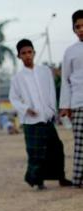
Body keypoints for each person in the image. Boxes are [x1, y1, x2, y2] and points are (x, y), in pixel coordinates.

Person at [9, 39, 73, 190]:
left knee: (56, 147)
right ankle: (38, 180)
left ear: (34, 53)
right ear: (19, 56)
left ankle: (61, 177)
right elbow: (14, 98)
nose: (27, 56)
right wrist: (26, 109)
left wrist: (52, 110)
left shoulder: (44, 71)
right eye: (23, 53)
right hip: (31, 120)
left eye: (29, 52)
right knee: (35, 152)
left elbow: (51, 92)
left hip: (46, 117)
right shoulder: (17, 78)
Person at [59, 10, 83, 188]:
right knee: (80, 143)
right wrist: (65, 106)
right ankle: (79, 179)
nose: (81, 29)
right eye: (77, 27)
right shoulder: (70, 52)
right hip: (78, 103)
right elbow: (65, 81)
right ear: (73, 29)